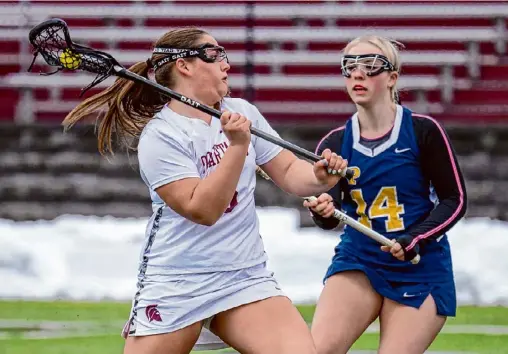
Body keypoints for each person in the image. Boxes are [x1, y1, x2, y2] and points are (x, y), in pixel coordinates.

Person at [62, 27, 348, 354]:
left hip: (243, 277)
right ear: (184, 65)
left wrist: (320, 176)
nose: (226, 64)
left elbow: (288, 171)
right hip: (178, 281)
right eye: (214, 55)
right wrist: (238, 146)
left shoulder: (242, 111)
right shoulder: (161, 136)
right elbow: (203, 210)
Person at [303, 35, 468, 354]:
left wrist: (415, 238)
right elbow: (332, 214)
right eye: (349, 66)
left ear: (393, 77)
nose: (358, 74)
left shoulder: (423, 131)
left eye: (370, 66)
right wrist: (322, 210)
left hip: (419, 264)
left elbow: (454, 199)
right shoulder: (335, 143)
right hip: (359, 258)